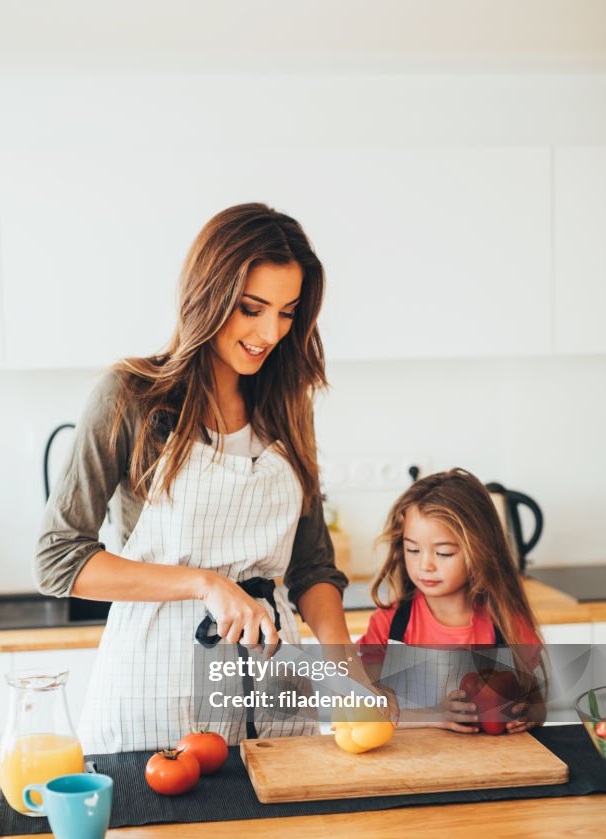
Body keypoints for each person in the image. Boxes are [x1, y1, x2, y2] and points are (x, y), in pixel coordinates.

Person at [35, 202, 352, 753]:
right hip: (156, 688)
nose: (269, 332)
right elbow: (58, 559)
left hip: (273, 682)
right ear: (209, 295)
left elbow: (311, 565)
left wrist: (349, 670)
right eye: (252, 309)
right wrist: (207, 584)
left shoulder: (288, 406)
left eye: (286, 312)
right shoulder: (131, 397)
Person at [357, 468, 546, 733]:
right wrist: (432, 715)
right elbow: (364, 710)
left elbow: (536, 701)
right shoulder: (388, 626)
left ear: (480, 550)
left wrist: (531, 712)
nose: (426, 565)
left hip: (492, 767)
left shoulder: (507, 623)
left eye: (444, 553)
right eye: (413, 549)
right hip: (409, 768)